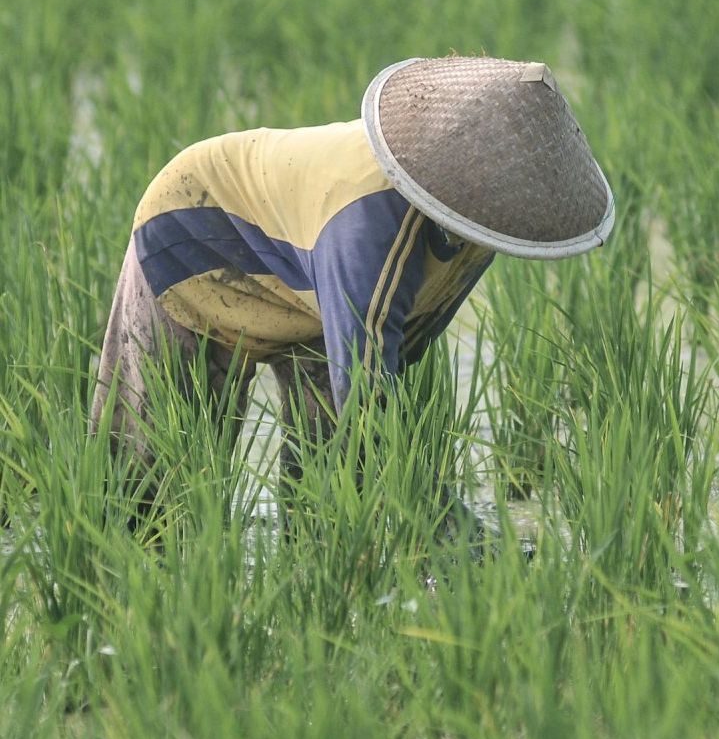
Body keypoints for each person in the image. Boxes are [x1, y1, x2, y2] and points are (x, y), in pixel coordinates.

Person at [90, 55, 615, 520]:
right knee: (164, 487)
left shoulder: (486, 222)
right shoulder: (370, 228)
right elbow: (365, 391)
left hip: (311, 277)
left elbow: (401, 343)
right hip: (199, 229)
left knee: (329, 488)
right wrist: (437, 517)